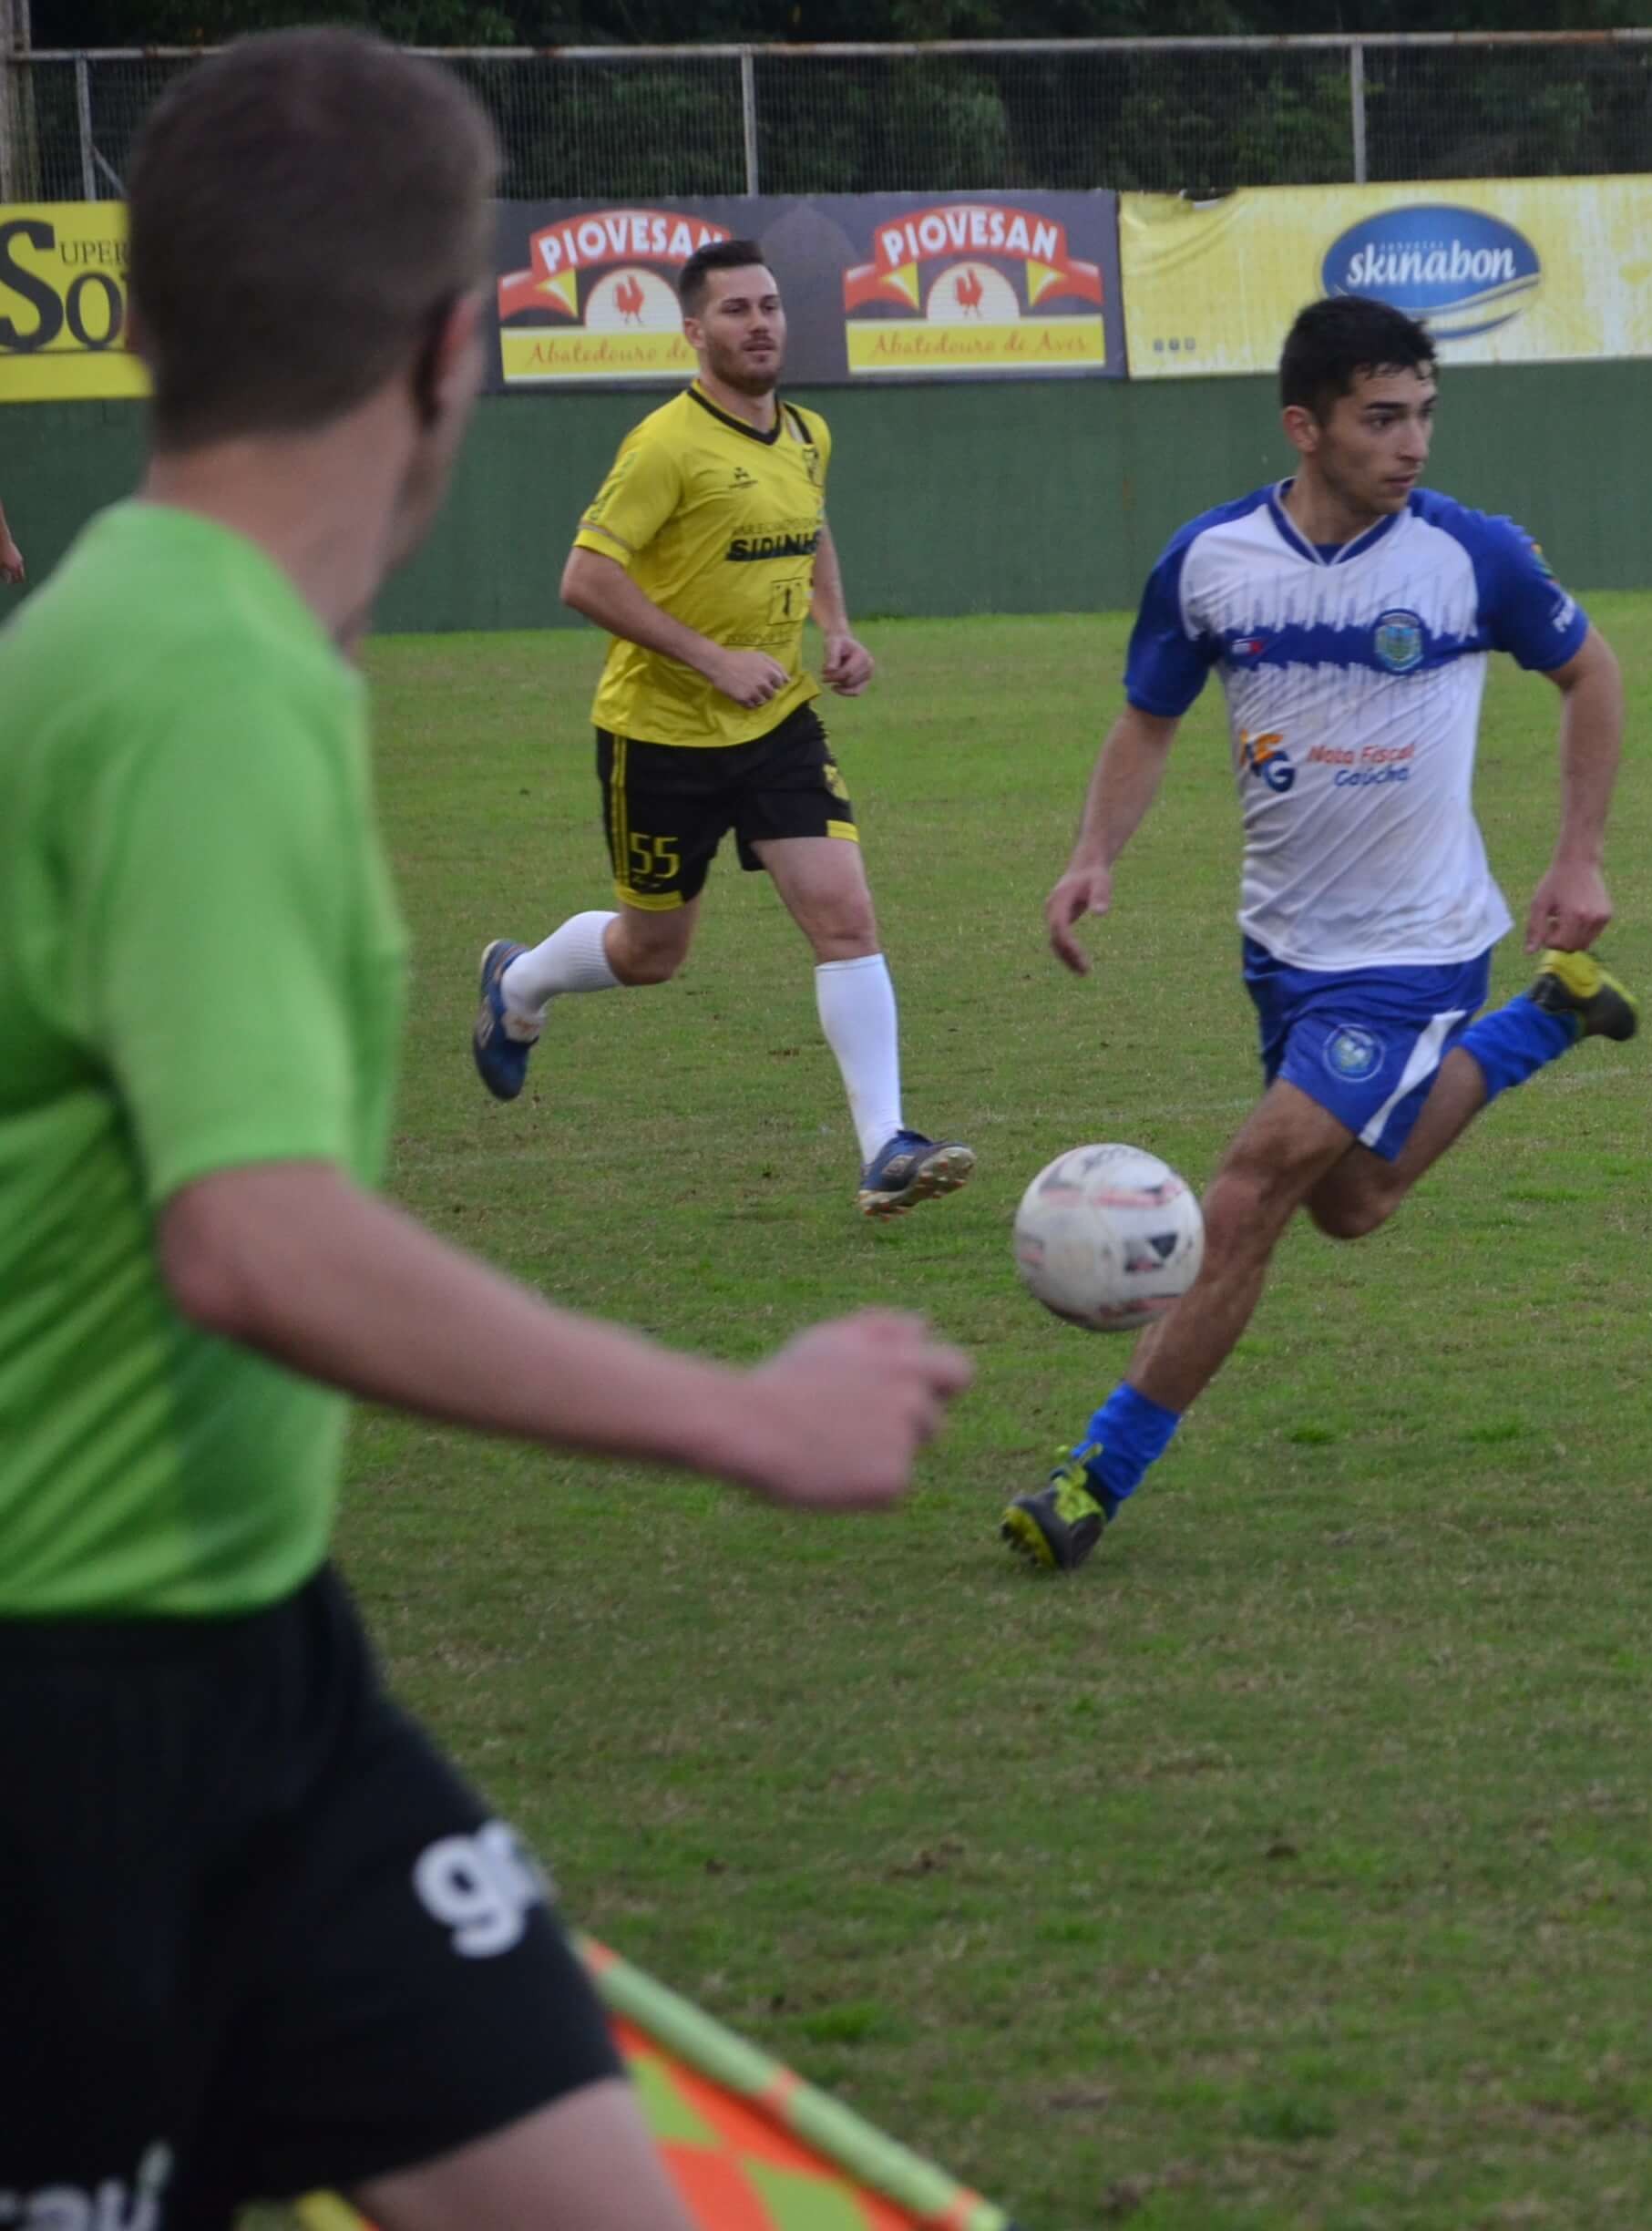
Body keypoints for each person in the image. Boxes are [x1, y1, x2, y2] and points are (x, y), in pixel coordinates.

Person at [0, 31, 973, 2231]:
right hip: (74, 1690)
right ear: (453, 350)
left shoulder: (150, 634)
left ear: (146, 320)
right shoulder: (204, 686)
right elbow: (249, 1235)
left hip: (262, 1653)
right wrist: (739, 1410)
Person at [1002, 294, 1638, 1575]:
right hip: (1284, 950)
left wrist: (1576, 853)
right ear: (1306, 425)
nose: (1413, 446)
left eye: (1424, 417)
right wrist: (1092, 856)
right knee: (1355, 1201)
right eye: (1381, 418)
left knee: (1245, 1195)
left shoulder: (1472, 558)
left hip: (1417, 948)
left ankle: (1093, 1477)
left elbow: (1592, 677)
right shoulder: (1212, 563)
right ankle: (1546, 1020)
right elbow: (1148, 719)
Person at [472, 238, 972, 1218]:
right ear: (695, 332)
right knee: (653, 953)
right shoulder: (664, 445)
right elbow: (585, 579)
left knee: (846, 916)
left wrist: (835, 629)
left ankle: (886, 1147)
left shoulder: (807, 434)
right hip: (658, 734)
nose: (762, 325)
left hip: (777, 721)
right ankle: (520, 984)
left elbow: (811, 524)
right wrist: (710, 657)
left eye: (772, 306)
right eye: (737, 311)